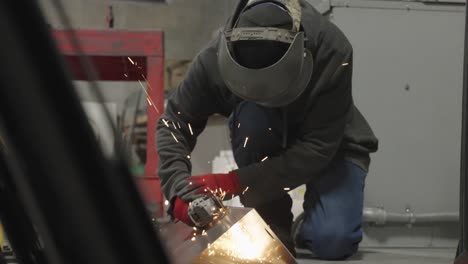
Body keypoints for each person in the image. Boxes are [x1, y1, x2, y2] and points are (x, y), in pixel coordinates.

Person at [156, 0, 378, 260]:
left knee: (333, 241)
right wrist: (179, 188)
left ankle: (305, 226)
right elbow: (174, 122)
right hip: (263, 135)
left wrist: (236, 181)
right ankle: (275, 222)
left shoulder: (332, 50)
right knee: (253, 120)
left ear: (302, 58)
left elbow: (318, 147)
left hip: (333, 142)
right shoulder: (214, 60)